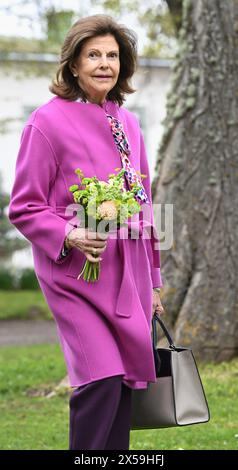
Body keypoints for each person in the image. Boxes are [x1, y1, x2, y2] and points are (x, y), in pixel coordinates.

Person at [8, 14, 165, 450]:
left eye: (112, 55)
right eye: (93, 55)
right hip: (75, 275)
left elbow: (146, 207)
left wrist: (154, 281)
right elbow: (24, 206)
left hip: (126, 276)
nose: (104, 64)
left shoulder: (128, 125)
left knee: (123, 385)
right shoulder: (46, 121)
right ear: (73, 65)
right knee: (102, 378)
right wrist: (71, 235)